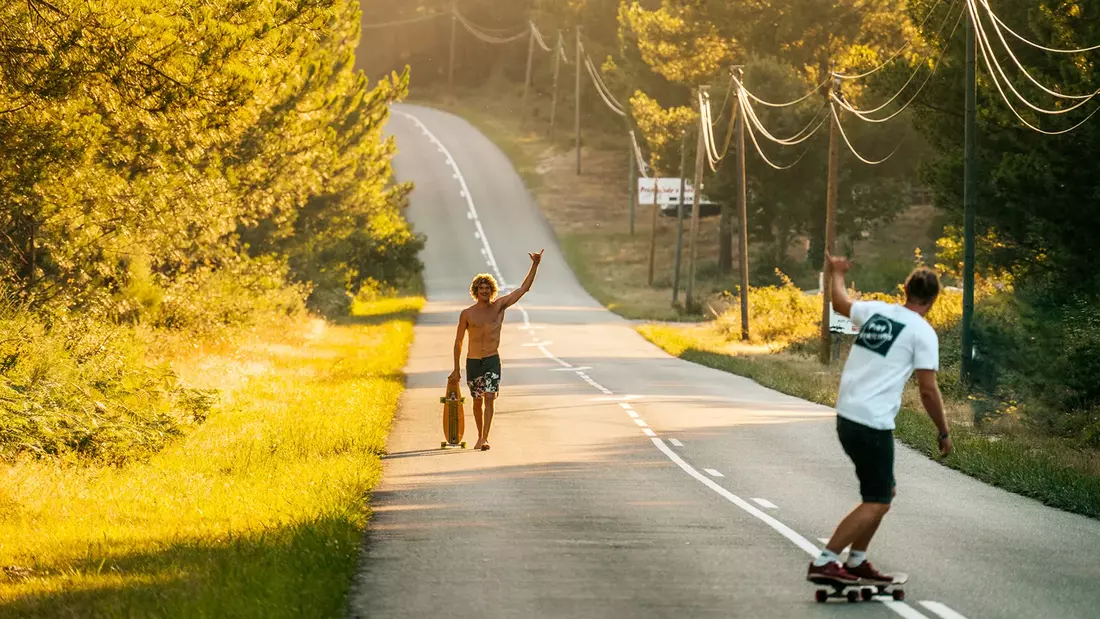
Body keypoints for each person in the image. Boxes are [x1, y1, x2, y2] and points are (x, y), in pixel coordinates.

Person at [807, 254, 953, 586]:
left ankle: (857, 560)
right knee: (877, 501)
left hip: (848, 416)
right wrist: (943, 431)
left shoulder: (877, 311)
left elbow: (840, 302)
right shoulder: (923, 333)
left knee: (884, 493)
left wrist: (837, 272)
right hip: (872, 424)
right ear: (933, 299)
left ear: (905, 290)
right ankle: (826, 560)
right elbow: (928, 391)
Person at [450, 250, 544, 451]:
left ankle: (484, 438)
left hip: (492, 360)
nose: (484, 291)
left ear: (492, 290)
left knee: (490, 397)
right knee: (477, 401)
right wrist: (456, 369)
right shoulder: (467, 314)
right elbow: (458, 342)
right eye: (480, 288)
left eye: (487, 287)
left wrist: (535, 264)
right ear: (475, 291)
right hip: (473, 361)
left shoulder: (499, 306)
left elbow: (523, 288)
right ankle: (478, 435)